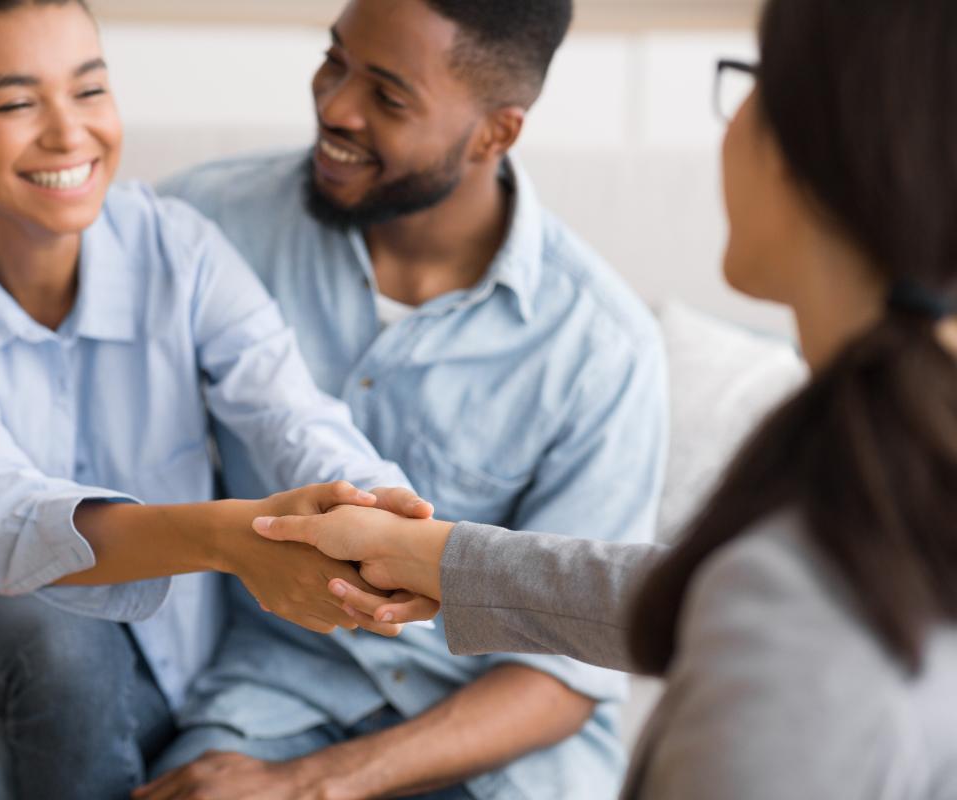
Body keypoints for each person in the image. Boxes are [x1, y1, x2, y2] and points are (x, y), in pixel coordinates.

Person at [0, 1, 669, 798]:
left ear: (495, 134)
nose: (334, 107)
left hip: (486, 754)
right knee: (53, 650)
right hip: (252, 697)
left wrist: (378, 516)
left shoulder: (603, 348)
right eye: (335, 61)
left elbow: (290, 415)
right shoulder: (212, 215)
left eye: (389, 96)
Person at [253, 0, 957, 797]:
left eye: (756, 84)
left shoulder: (803, 626)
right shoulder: (876, 487)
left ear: (826, 161)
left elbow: (745, 603)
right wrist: (437, 557)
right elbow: (698, 593)